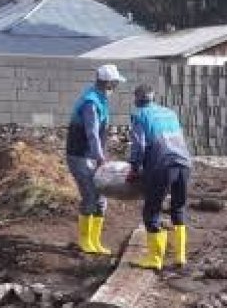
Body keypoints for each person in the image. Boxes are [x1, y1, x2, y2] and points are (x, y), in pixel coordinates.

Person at [127, 84, 192, 271]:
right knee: (178, 208)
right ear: (153, 97)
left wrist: (133, 167)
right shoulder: (170, 113)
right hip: (184, 163)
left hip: (163, 165)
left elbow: (139, 145)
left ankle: (155, 259)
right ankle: (180, 257)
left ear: (136, 99)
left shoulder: (140, 115)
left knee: (152, 211)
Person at [68, 64, 125, 255]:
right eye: (115, 83)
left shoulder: (100, 98)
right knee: (90, 196)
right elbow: (91, 133)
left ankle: (95, 241)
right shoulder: (90, 103)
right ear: (109, 83)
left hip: (92, 156)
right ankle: (85, 241)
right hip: (80, 156)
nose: (116, 87)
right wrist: (101, 158)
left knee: (102, 198)